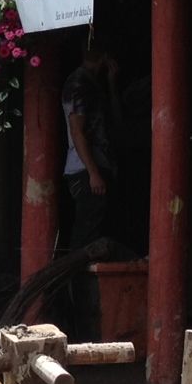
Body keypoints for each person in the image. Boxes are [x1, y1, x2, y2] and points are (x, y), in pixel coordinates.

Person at [61, 38, 120, 341]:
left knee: (93, 236)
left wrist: (110, 83)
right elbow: (77, 129)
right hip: (86, 170)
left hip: (96, 166)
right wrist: (94, 172)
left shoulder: (91, 84)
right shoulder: (79, 84)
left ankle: (86, 314)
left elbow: (112, 119)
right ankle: (77, 314)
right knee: (85, 241)